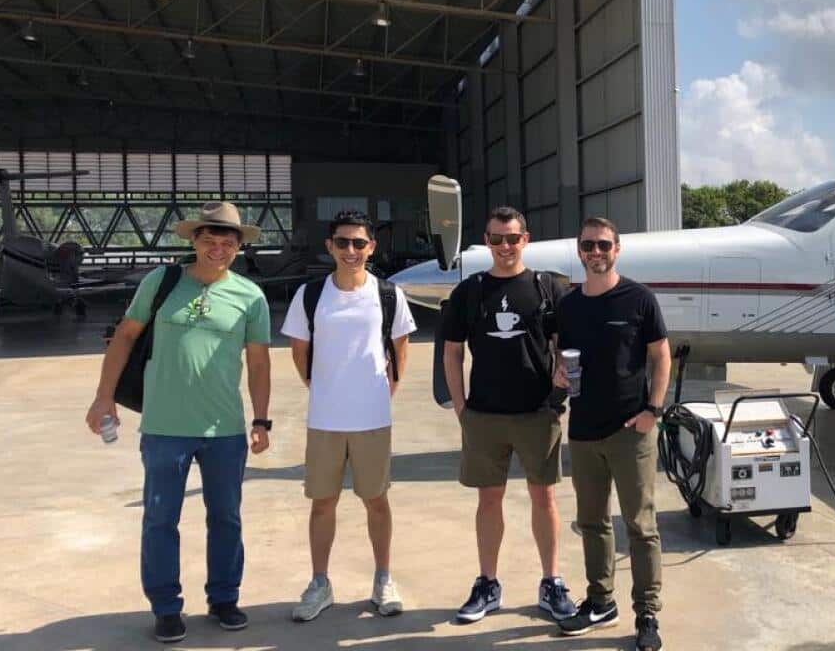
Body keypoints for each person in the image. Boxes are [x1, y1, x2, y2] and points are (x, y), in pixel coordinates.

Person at [85, 201, 271, 644]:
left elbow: (259, 363)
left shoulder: (250, 296)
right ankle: (166, 607)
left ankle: (224, 598)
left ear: (239, 247)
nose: (218, 247)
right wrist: (103, 397)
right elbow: (126, 336)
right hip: (165, 427)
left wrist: (261, 419)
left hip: (224, 430)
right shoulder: (162, 281)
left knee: (226, 518)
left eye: (228, 241)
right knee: (160, 518)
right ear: (194, 240)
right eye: (210, 238)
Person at [441, 206, 577, 624]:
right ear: (487, 240)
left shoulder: (547, 287)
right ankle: (488, 583)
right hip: (484, 414)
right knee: (489, 499)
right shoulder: (471, 291)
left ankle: (551, 582)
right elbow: (451, 350)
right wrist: (461, 407)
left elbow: (565, 345)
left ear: (526, 239)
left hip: (537, 412)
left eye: (513, 238)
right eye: (497, 238)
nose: (505, 246)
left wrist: (562, 380)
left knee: (544, 496)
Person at [280, 210, 416, 622]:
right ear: (330, 247)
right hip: (325, 419)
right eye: (343, 243)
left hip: (372, 417)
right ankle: (320, 583)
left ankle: (383, 579)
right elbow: (300, 350)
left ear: (371, 247)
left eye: (359, 243)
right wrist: (319, 387)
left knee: (376, 500)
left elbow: (400, 345)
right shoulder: (311, 295)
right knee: (323, 503)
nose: (351, 250)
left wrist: (386, 387)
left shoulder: (388, 294)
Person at [553, 217, 671, 651]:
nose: (596, 253)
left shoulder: (638, 299)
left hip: (630, 430)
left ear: (617, 249)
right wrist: (559, 373)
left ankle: (647, 613)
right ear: (579, 250)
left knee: (640, 525)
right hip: (583, 430)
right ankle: (601, 601)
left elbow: (661, 357)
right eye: (589, 245)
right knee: (592, 522)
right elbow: (558, 354)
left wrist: (652, 411)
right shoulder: (568, 305)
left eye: (604, 245)